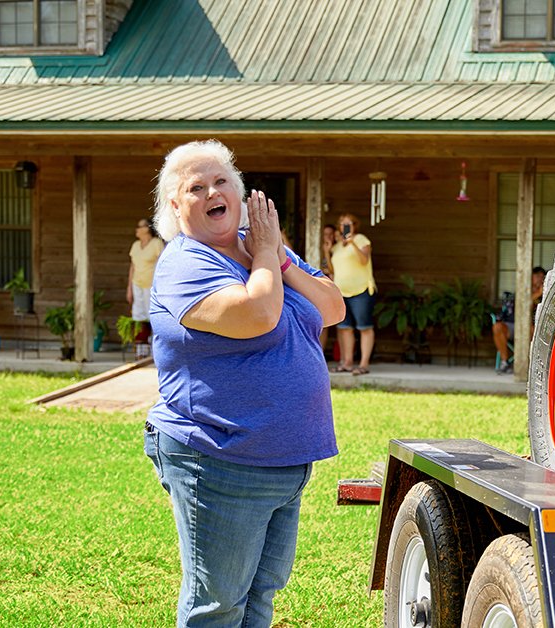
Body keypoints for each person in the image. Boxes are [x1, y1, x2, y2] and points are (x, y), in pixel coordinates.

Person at [143, 140, 345, 627]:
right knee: (218, 605)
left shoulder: (265, 250)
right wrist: (267, 257)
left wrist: (280, 258)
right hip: (220, 458)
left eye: (221, 181)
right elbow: (258, 312)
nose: (213, 191)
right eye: (196, 187)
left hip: (282, 459)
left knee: (259, 599)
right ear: (175, 205)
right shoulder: (186, 263)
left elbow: (333, 308)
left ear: (239, 191)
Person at [329, 213, 376, 375]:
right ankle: (347, 362)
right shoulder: (336, 247)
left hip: (361, 290)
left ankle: (364, 364)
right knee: (345, 328)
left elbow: (364, 260)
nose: (345, 226)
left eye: (349, 223)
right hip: (341, 292)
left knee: (364, 327)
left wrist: (353, 244)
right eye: (342, 224)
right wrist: (326, 251)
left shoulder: (361, 239)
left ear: (355, 225)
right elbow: (332, 270)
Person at [492, 267, 546, 374]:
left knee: (532, 329)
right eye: (537, 276)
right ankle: (505, 362)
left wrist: (541, 294)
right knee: (497, 327)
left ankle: (533, 365)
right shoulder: (522, 290)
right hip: (513, 325)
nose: (540, 279)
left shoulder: (545, 295)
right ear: (530, 278)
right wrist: (537, 294)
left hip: (533, 330)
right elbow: (522, 305)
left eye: (542, 277)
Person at [127, 218, 164, 358]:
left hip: (152, 285)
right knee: (139, 316)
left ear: (147, 228)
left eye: (139, 226)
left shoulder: (156, 244)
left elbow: (162, 263)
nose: (136, 229)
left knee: (153, 316)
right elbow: (133, 267)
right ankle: (141, 352)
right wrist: (129, 288)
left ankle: (156, 352)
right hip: (137, 284)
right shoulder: (135, 245)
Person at [317, 223, 337, 358]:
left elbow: (332, 270)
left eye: (331, 234)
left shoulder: (336, 249)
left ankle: (321, 353)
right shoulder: (314, 247)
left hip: (330, 287)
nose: (328, 237)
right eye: (325, 234)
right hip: (317, 286)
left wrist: (327, 252)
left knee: (325, 323)